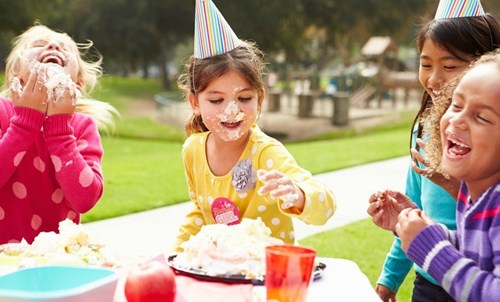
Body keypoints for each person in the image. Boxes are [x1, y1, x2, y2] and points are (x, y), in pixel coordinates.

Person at [173, 0, 336, 252]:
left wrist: (299, 194)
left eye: (244, 98)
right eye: (216, 100)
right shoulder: (193, 150)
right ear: (194, 102)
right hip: (220, 269)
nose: (232, 109)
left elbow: (325, 205)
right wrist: (176, 255)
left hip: (267, 274)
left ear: (261, 97)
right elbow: (199, 213)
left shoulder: (265, 154)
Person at [367, 0, 500, 300]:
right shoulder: (428, 129)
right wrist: (409, 219)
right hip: (429, 280)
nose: (434, 78)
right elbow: (467, 235)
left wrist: (456, 190)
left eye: (450, 66)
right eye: (425, 64)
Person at [396, 48, 500, 302]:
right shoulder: (476, 194)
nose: (457, 120)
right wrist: (420, 230)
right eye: (456, 104)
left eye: (482, 117)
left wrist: (433, 250)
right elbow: (476, 249)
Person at [0, 24, 117, 244]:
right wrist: (25, 124)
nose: (54, 46)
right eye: (38, 45)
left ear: (78, 84)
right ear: (18, 77)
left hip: (54, 259)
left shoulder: (82, 127)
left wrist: (60, 130)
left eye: (65, 49)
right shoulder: (1, 112)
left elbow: (85, 199)